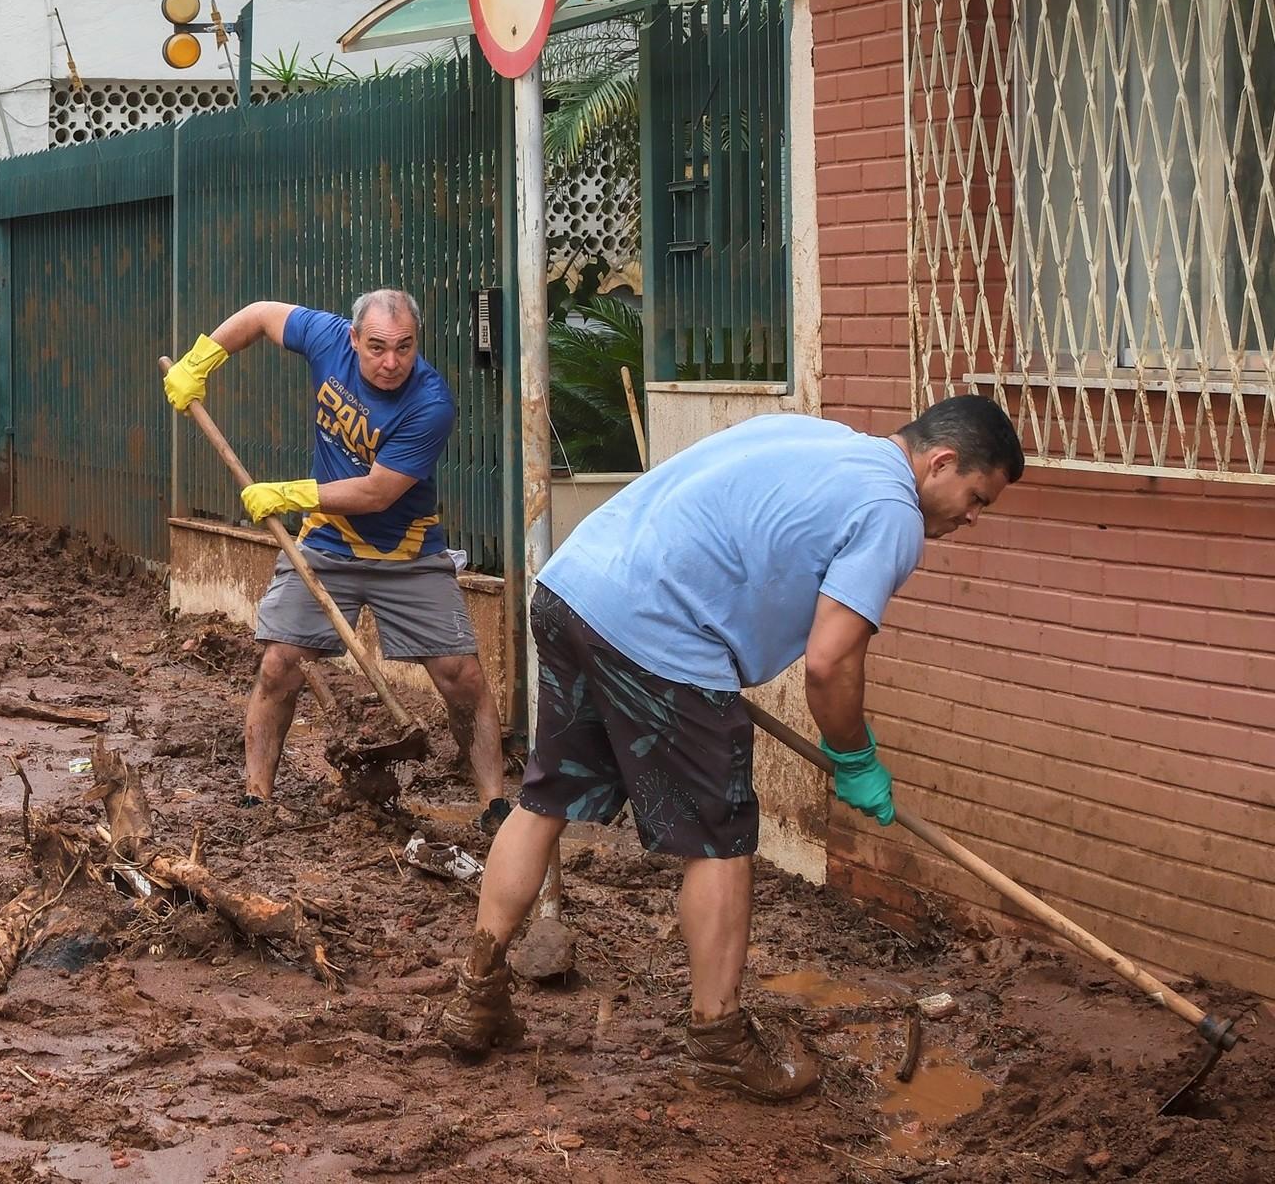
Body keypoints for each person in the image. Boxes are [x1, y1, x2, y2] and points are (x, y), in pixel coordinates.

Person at [435, 398, 1024, 1100]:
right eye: (975, 497)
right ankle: (717, 1039)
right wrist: (856, 757)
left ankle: (476, 996)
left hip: (576, 589)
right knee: (718, 841)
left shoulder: (813, 434)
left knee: (544, 800)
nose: (971, 516)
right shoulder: (892, 512)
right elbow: (831, 664)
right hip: (663, 634)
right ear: (941, 463)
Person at [162, 291, 508, 827]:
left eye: (404, 348)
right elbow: (259, 315)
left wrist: (291, 495)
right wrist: (201, 360)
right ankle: (257, 797)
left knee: (460, 673)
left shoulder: (430, 404)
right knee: (280, 664)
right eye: (377, 348)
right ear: (353, 339)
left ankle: (494, 802)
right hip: (329, 544)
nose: (391, 362)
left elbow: (377, 493)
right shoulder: (327, 340)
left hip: (408, 551)